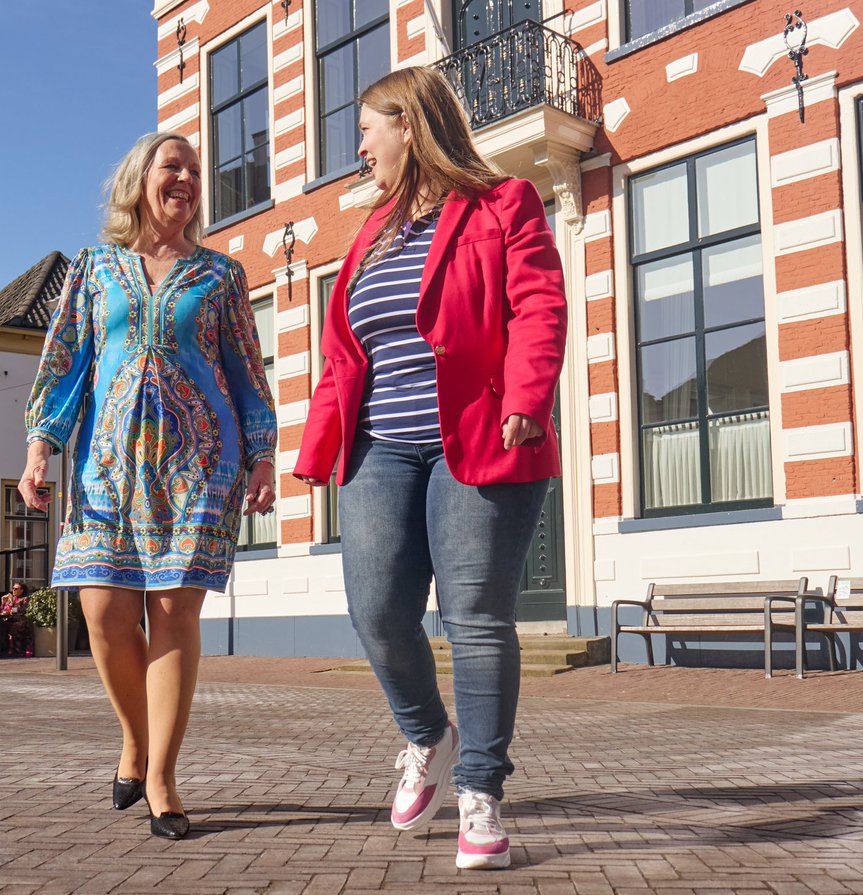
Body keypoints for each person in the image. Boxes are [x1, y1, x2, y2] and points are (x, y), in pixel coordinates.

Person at [294, 67, 567, 871]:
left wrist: (527, 392)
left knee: (475, 616)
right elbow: (346, 353)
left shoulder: (502, 203)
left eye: (369, 126)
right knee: (376, 609)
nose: (361, 144)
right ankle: (428, 734)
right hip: (381, 449)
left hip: (478, 436)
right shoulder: (371, 233)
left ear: (409, 125)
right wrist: (319, 444)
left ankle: (480, 793)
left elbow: (540, 304)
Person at [20, 131, 277, 840]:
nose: (188, 179)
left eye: (195, 170)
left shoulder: (221, 277)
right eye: (175, 167)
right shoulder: (96, 269)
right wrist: (42, 445)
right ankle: (133, 738)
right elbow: (66, 362)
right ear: (140, 179)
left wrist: (261, 455)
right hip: (105, 465)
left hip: (198, 466)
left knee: (172, 612)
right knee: (102, 610)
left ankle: (161, 774)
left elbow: (249, 374)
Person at [0, 582, 33, 657]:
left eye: (16, 589)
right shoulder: (11, 599)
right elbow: (3, 610)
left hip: (21, 620)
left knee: (13, 627)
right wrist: (3, 602)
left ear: (22, 590)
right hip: (10, 619)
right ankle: (2, 648)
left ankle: (12, 649)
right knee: (2, 625)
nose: (14, 590)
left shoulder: (24, 599)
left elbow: (20, 610)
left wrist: (11, 603)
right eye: (13, 588)